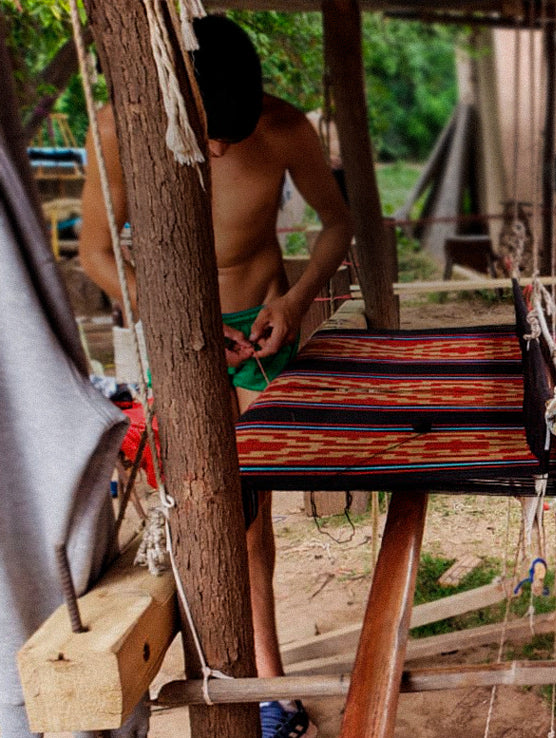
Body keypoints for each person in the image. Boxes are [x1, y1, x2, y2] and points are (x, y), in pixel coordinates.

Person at [79, 16, 349, 738]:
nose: (220, 148)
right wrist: (182, 324)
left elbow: (336, 224)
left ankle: (265, 677)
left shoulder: (286, 127)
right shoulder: (118, 128)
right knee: (204, 510)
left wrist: (292, 304)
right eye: (208, 131)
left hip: (265, 332)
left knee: (253, 513)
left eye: (230, 132)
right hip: (179, 336)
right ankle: (230, 676)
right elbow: (97, 253)